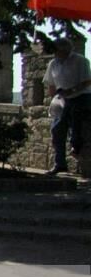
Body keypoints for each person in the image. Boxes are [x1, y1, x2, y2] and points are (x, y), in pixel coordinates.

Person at [44, 38, 91, 175]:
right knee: (57, 129)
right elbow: (51, 83)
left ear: (66, 49)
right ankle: (60, 164)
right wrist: (55, 96)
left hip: (81, 97)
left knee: (76, 123)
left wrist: (71, 91)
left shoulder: (80, 61)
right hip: (62, 99)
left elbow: (87, 81)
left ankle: (76, 147)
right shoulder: (53, 63)